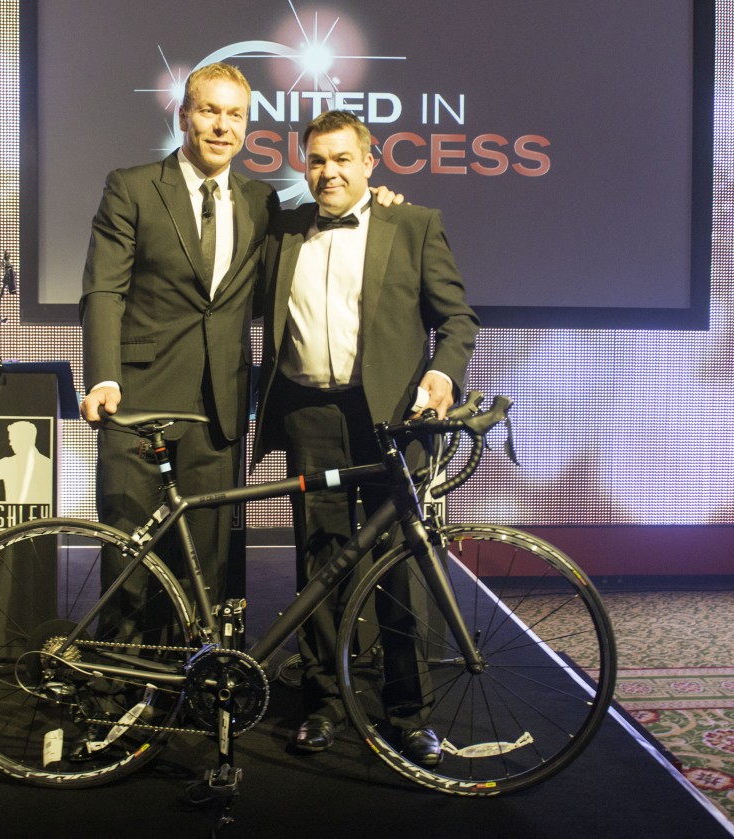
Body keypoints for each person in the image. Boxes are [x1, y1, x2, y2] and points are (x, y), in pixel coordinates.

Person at [79, 65, 400, 614]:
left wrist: (378, 204)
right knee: (131, 558)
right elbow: (104, 291)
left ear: (247, 126)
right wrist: (104, 376)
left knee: (209, 565)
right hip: (138, 399)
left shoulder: (261, 201)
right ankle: (121, 689)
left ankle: (195, 683)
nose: (222, 126)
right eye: (209, 111)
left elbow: (302, 255)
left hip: (219, 408)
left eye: (235, 115)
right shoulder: (131, 187)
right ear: (184, 116)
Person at [252, 110, 480, 762]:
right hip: (309, 416)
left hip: (390, 421)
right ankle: (323, 705)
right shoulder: (284, 230)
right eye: (318, 160)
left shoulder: (413, 225)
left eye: (342, 159)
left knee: (399, 569)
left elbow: (457, 319)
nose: (329, 172)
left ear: (370, 162)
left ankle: (408, 714)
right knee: (319, 563)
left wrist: (442, 374)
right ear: (304, 164)